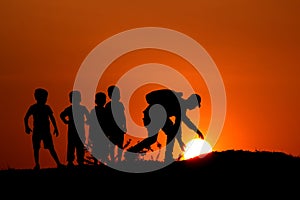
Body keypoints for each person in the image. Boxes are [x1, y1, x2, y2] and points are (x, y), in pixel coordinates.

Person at [126, 89, 204, 163]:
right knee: (159, 137)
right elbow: (177, 126)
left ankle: (132, 152)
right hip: (154, 116)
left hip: (157, 116)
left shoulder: (181, 106)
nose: (194, 107)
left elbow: (182, 123)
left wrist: (196, 131)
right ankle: (167, 157)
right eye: (195, 105)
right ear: (192, 102)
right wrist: (180, 141)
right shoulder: (180, 105)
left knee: (155, 138)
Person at [24, 88, 64, 170]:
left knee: (50, 148)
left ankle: (58, 163)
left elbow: (52, 118)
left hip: (46, 131)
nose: (45, 99)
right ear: (37, 98)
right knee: (36, 148)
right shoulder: (33, 107)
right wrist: (27, 127)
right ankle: (37, 164)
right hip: (37, 130)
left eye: (46, 98)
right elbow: (26, 117)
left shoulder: (47, 107)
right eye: (43, 97)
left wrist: (56, 128)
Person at [60, 90, 89, 167]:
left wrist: (66, 121)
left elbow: (62, 115)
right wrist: (87, 121)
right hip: (76, 130)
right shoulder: (81, 108)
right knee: (76, 146)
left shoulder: (70, 109)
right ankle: (77, 161)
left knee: (73, 146)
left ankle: (74, 161)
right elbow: (88, 116)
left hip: (74, 130)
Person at [104, 85, 127, 163]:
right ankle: (113, 160)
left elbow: (123, 116)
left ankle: (119, 160)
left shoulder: (120, 105)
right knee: (112, 146)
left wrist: (125, 126)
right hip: (111, 128)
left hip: (119, 128)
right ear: (110, 95)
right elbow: (106, 119)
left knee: (120, 145)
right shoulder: (108, 106)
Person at [88, 92, 109, 165]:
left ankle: (97, 162)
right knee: (101, 147)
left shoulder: (94, 111)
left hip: (98, 132)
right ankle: (100, 161)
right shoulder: (104, 111)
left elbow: (90, 122)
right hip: (100, 132)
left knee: (98, 148)